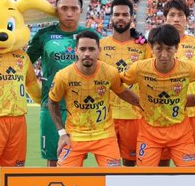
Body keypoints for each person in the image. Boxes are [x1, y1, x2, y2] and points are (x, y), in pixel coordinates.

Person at [48, 31, 140, 167]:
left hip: (105, 136)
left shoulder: (110, 72)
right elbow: (52, 102)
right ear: (76, 51)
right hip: (74, 135)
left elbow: (123, 93)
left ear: (99, 51)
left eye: (91, 49)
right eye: (82, 49)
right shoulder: (63, 76)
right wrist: (62, 133)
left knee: (113, 176)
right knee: (64, 176)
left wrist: (145, 105)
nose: (87, 53)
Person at [120, 24, 195, 167]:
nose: (164, 54)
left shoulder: (189, 68)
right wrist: (136, 101)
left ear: (176, 48)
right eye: (159, 48)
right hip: (149, 132)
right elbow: (116, 82)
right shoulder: (139, 68)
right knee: (145, 175)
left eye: (169, 49)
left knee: (189, 174)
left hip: (181, 132)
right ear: (151, 48)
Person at [27, 0, 90, 167]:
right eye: (64, 8)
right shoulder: (44, 35)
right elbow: (23, 63)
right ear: (57, 10)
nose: (69, 13)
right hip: (51, 106)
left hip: (82, 107)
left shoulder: (90, 35)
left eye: (74, 9)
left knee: (76, 158)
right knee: (54, 157)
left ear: (81, 11)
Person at [99, 0, 151, 166]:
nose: (120, 17)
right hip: (106, 116)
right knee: (109, 164)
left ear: (131, 17)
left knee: (131, 163)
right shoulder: (99, 45)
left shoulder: (143, 46)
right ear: (111, 17)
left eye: (125, 14)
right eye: (117, 14)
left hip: (134, 115)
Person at [162, 0, 195, 165]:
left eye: (180, 15)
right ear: (165, 18)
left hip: (191, 111)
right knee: (161, 164)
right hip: (163, 113)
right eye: (172, 15)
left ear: (187, 19)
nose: (176, 19)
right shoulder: (154, 43)